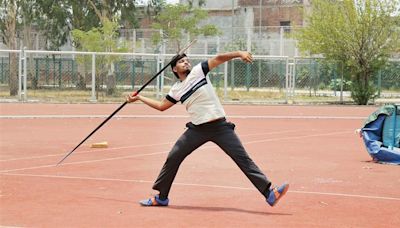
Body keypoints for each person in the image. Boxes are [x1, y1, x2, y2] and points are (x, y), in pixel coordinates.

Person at [126, 51, 289, 207]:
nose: (186, 62)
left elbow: (219, 58)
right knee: (173, 157)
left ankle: (269, 193)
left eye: (187, 60)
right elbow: (162, 106)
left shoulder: (198, 72)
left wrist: (239, 53)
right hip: (197, 129)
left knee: (243, 159)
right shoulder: (176, 89)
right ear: (174, 69)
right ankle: (161, 198)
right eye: (181, 61)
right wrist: (139, 97)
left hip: (220, 127)